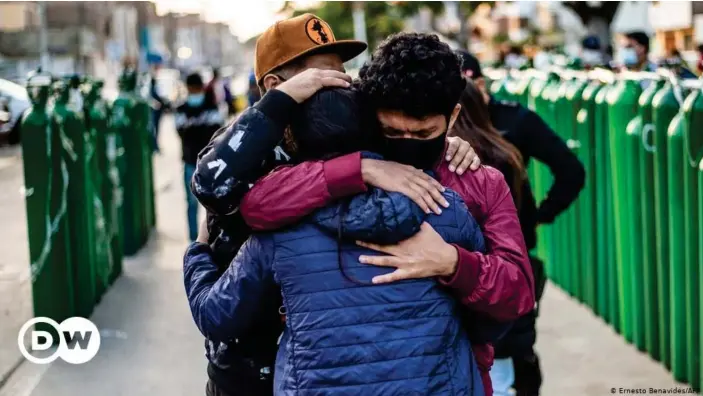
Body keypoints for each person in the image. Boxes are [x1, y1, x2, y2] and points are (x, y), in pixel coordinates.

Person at [219, 33, 535, 395]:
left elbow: (518, 294)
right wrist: (357, 170)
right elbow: (258, 204)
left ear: (453, 118)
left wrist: (453, 263)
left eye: (423, 133)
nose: (406, 144)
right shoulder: (344, 160)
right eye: (392, 131)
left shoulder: (477, 182)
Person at [185, 87, 492, 395]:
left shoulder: (277, 229)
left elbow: (216, 317)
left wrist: (197, 252)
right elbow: (491, 310)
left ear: (293, 141)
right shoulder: (443, 206)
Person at [456, 50, 586, 396]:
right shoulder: (505, 129)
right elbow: (571, 170)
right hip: (491, 258)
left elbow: (571, 170)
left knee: (503, 356)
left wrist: (540, 215)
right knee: (506, 356)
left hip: (484, 261)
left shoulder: (507, 128)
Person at [175, 73, 224, 241]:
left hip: (210, 163)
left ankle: (212, 238)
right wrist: (201, 128)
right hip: (190, 162)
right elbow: (182, 132)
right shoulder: (181, 108)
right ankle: (194, 240)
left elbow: (217, 132)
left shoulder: (211, 106)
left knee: (213, 204)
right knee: (191, 202)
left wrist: (194, 128)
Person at [148, 55, 169, 153]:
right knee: (153, 127)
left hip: (159, 107)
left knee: (157, 127)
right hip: (154, 108)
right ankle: (154, 145)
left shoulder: (157, 76)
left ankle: (155, 145)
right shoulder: (150, 77)